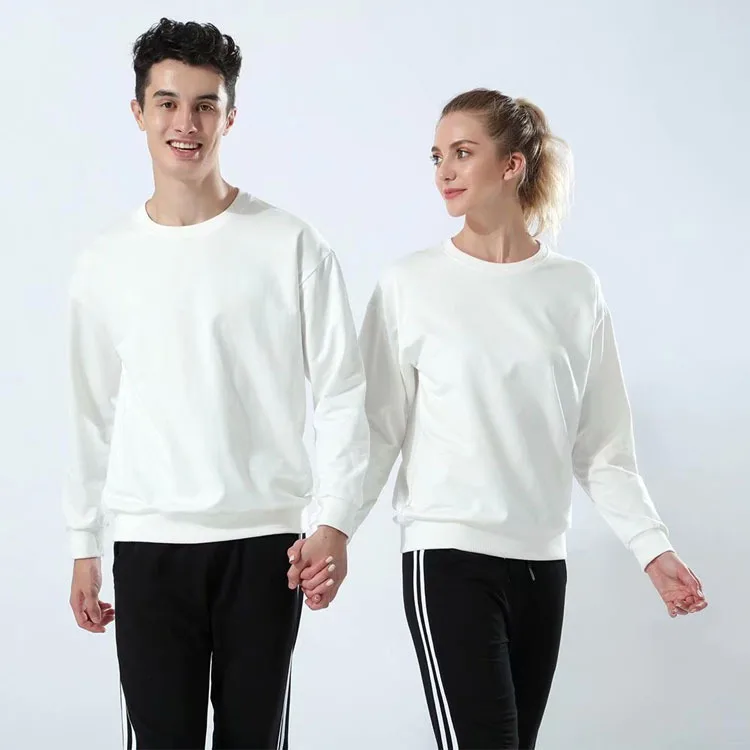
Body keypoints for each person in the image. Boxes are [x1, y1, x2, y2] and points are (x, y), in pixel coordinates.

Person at [290, 88, 708, 748]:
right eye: (437, 157)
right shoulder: (411, 284)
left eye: (462, 153)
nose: (444, 172)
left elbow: (602, 446)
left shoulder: (575, 289)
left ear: (512, 165)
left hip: (542, 564)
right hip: (448, 558)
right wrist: (333, 525)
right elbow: (378, 428)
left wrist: (652, 549)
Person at [63, 18, 368, 749]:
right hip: (149, 542)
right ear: (138, 112)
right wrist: (83, 542)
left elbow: (342, 392)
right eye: (167, 103)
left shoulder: (292, 245)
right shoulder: (105, 261)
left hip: (265, 545)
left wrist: (334, 520)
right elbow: (88, 410)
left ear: (230, 116)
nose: (186, 123)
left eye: (205, 105)